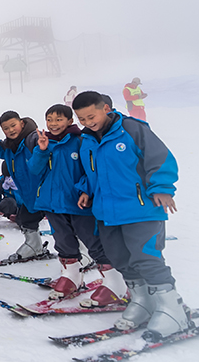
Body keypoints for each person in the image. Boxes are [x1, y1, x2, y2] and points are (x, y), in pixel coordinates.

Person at [73, 91, 186, 340]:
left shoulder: (132, 129)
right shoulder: (87, 140)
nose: (88, 122)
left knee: (146, 258)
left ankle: (172, 309)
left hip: (140, 209)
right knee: (120, 258)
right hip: (107, 213)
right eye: (82, 119)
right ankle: (143, 302)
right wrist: (87, 191)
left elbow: (160, 158)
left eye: (91, 116)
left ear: (106, 108)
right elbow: (92, 172)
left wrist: (162, 188)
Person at [27, 104, 126, 306]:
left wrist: (85, 190)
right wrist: (42, 150)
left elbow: (91, 170)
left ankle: (115, 283)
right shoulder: (45, 143)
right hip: (52, 203)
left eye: (59, 119)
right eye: (49, 120)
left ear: (70, 121)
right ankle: (71, 277)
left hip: (79, 203)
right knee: (63, 242)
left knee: (93, 242)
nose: (53, 124)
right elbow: (35, 170)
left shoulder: (81, 140)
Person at [0, 110, 46, 261]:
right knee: (26, 218)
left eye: (13, 125)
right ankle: (34, 246)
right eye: (6, 128)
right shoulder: (11, 146)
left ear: (22, 123)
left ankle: (80, 253)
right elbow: (0, 150)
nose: (11, 130)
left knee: (62, 222)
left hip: (43, 191)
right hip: (29, 194)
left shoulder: (32, 139)